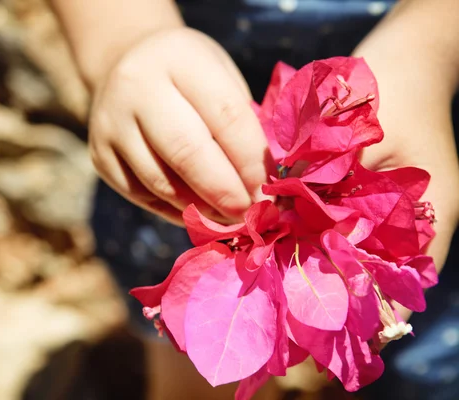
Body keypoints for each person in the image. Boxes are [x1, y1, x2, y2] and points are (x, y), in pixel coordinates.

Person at [52, 1, 459, 399]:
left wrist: (429, 51)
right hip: (188, 125)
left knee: (425, 370)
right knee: (194, 375)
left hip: (414, 107)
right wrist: (123, 41)